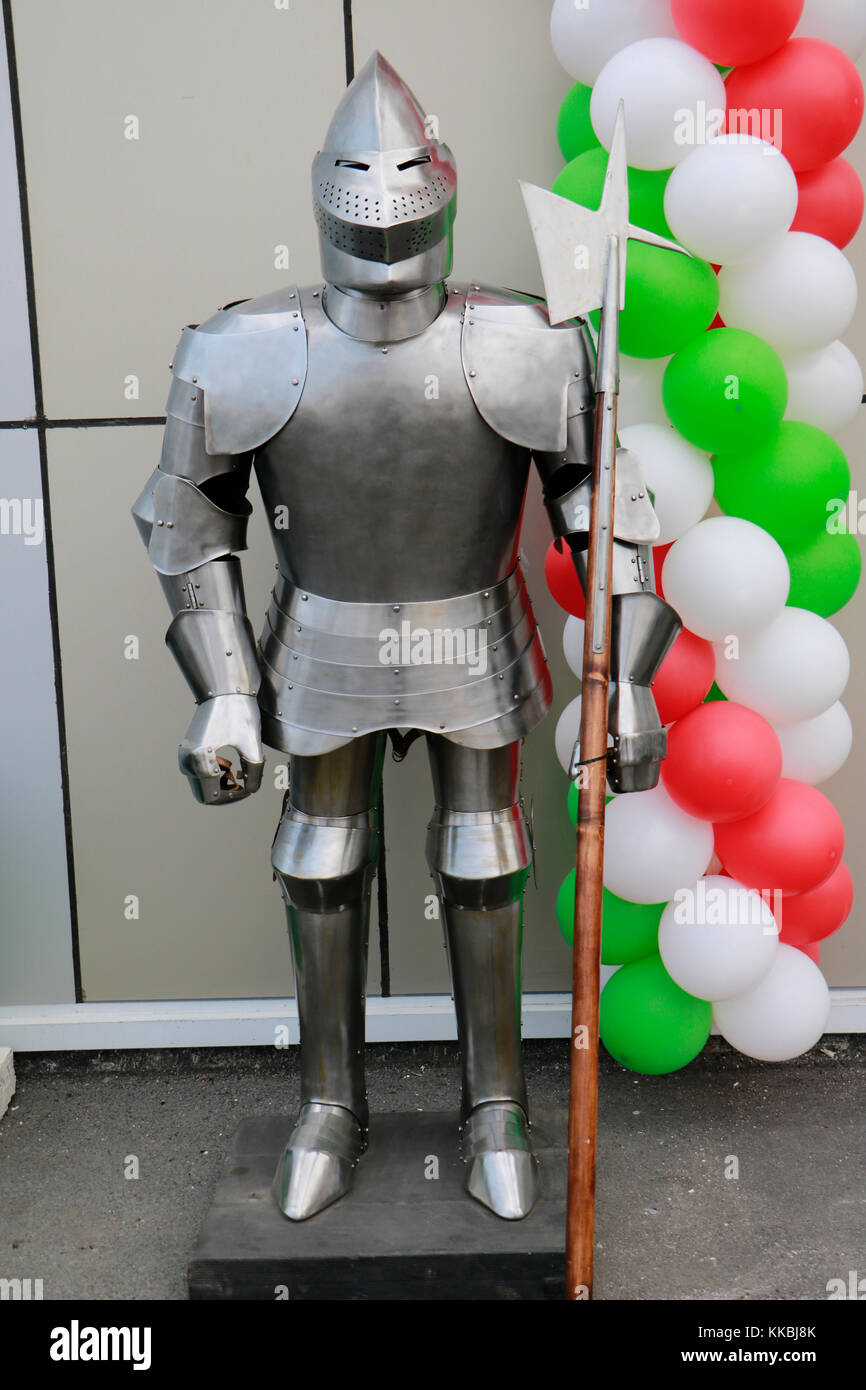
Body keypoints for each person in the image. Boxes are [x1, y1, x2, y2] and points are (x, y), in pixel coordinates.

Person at [132, 52, 679, 1222]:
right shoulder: (240, 345)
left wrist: (624, 685)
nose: (385, 241)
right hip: (319, 634)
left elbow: (607, 519)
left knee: (483, 856)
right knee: (319, 859)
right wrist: (224, 686)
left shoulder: (528, 339)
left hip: (470, 629)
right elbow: (186, 521)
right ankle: (329, 1102)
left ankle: (496, 1108)